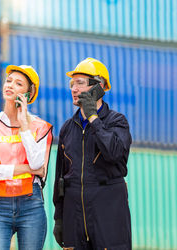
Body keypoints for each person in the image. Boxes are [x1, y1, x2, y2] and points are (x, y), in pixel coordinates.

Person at [52, 58, 132, 249]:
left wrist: (94, 119)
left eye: (80, 83)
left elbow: (114, 153)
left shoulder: (117, 122)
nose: (73, 89)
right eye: (72, 84)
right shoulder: (67, 128)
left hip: (108, 215)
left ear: (100, 87)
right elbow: (60, 179)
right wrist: (59, 219)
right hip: (74, 218)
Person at [0, 65, 53, 250]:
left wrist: (24, 126)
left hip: (31, 205)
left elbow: (38, 164)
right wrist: (26, 169)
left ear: (28, 94)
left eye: (18, 83)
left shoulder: (40, 127)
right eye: (8, 80)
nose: (10, 85)